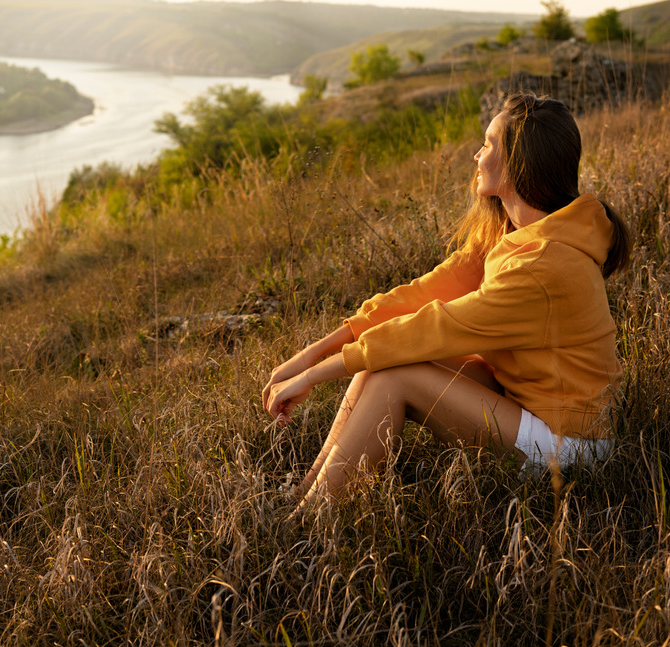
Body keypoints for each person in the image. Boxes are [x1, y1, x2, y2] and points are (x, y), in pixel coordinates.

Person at [262, 93, 631, 509]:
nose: (477, 154)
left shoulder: (541, 264)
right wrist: (310, 355)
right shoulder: (518, 233)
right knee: (386, 364)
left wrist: (313, 377)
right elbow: (424, 293)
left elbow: (435, 328)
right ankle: (305, 495)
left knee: (394, 375)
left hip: (573, 448)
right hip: (529, 404)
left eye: (488, 144)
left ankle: (312, 520)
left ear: (519, 162)